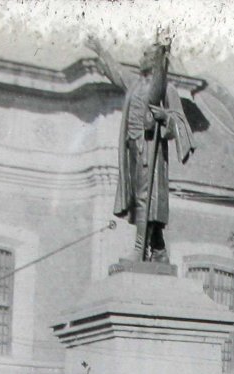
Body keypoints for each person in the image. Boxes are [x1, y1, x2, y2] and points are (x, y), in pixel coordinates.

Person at [85, 36, 195, 263]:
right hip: (134, 149)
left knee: (147, 199)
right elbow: (116, 72)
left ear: (156, 59)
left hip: (151, 148)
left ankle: (139, 249)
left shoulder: (166, 88)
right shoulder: (135, 84)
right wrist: (101, 49)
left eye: (145, 54)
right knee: (141, 199)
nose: (140, 57)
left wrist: (164, 116)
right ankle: (159, 249)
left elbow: (179, 121)